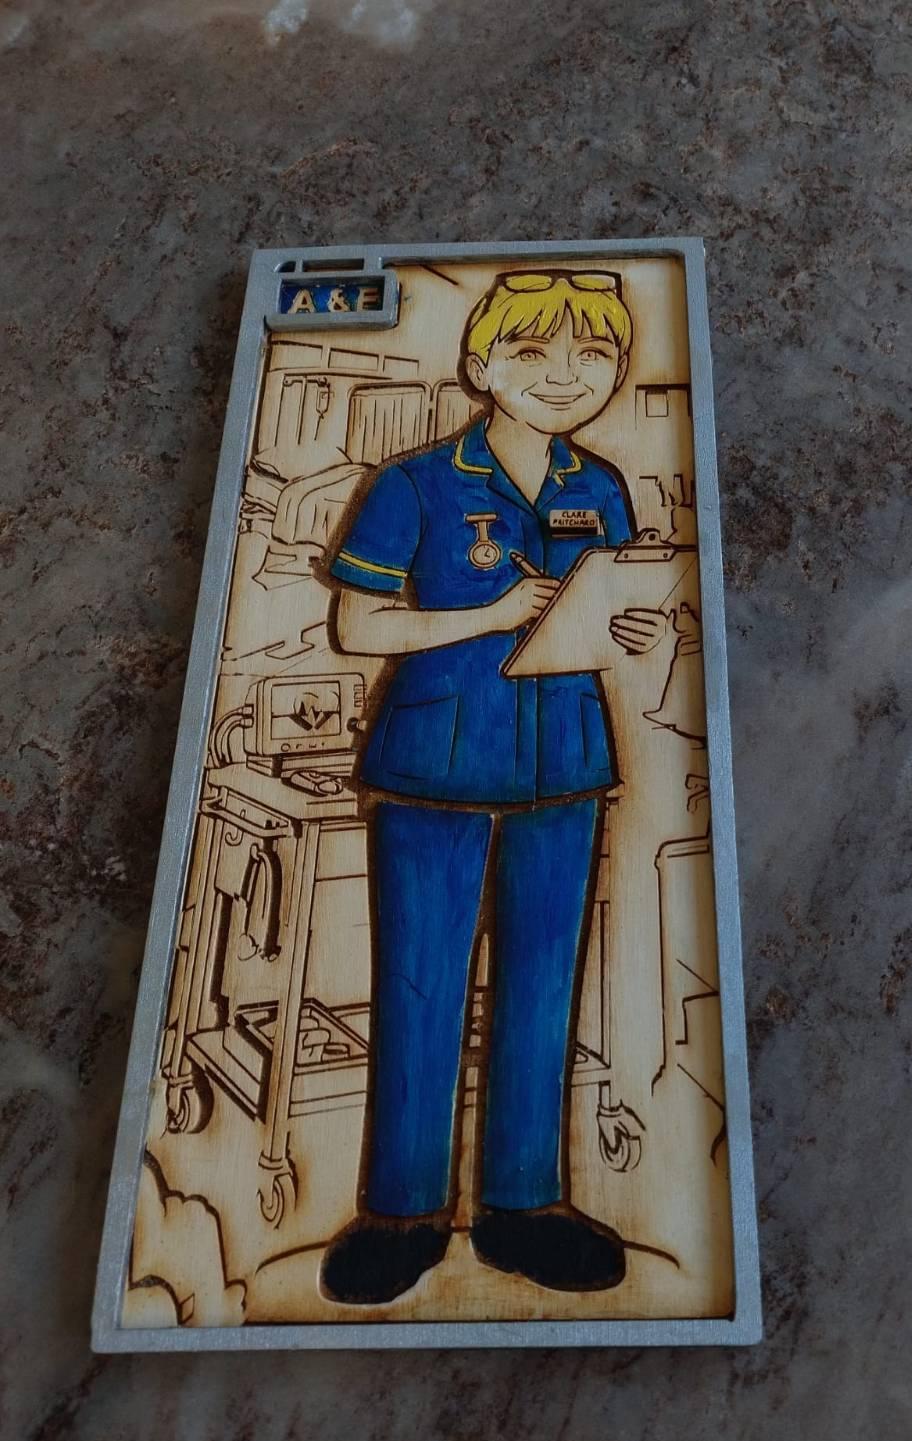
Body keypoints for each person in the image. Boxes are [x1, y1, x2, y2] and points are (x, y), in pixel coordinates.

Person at [321, 269, 651, 1304]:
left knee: (544, 986)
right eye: (535, 353)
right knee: (422, 985)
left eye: (592, 356)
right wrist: (492, 613)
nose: (564, 375)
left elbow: (618, 610)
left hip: (565, 761)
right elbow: (358, 627)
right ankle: (404, 1213)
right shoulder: (415, 484)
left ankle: (524, 1206)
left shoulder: (600, 485)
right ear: (481, 366)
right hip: (438, 766)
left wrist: (631, 632)